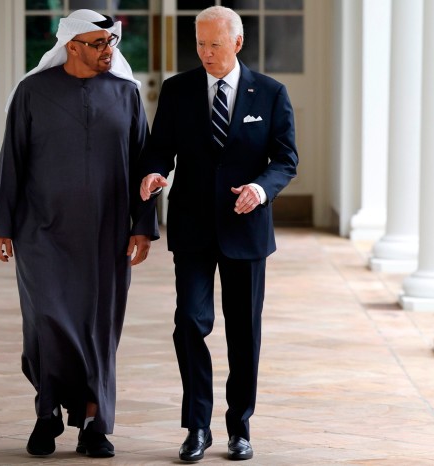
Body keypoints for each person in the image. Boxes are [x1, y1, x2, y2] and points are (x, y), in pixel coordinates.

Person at [0, 9, 159, 458]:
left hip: (107, 236)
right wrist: (0, 226)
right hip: (41, 232)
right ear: (72, 47)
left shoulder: (126, 95)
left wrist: (143, 226)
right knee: (47, 324)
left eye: (111, 44)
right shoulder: (32, 92)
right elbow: (12, 163)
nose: (108, 52)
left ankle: (92, 423)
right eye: (98, 44)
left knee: (98, 329)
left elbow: (145, 162)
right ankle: (47, 414)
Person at [140, 6, 298, 462]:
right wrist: (153, 175)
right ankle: (197, 427)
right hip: (191, 225)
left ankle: (239, 426)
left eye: (215, 45)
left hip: (245, 229)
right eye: (201, 45)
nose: (206, 54)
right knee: (189, 322)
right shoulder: (177, 90)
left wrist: (260, 189)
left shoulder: (270, 93)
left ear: (238, 43)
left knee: (243, 333)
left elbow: (285, 159)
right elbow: (159, 150)